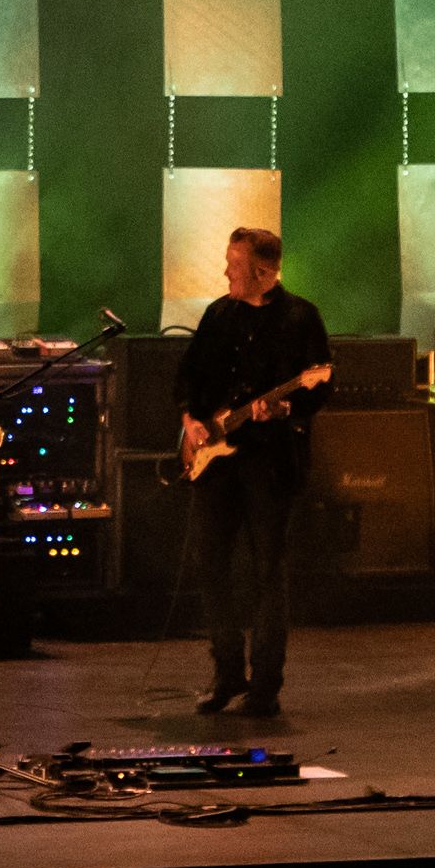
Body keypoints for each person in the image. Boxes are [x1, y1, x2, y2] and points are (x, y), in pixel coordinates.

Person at [177, 225, 331, 717]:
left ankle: (265, 686)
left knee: (269, 572)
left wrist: (283, 409)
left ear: (263, 273)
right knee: (211, 566)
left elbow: (321, 386)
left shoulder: (301, 318)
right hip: (215, 464)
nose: (226, 272)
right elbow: (188, 376)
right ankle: (226, 674)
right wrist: (191, 421)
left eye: (235, 266)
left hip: (270, 463)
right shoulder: (217, 314)